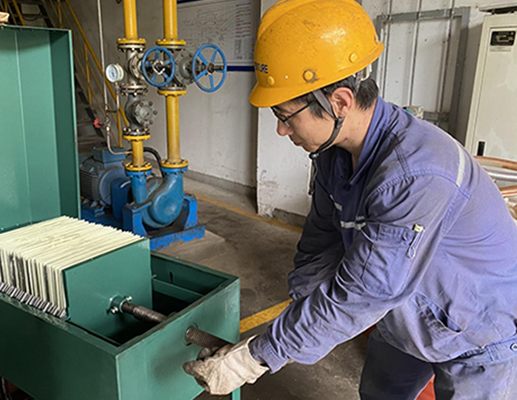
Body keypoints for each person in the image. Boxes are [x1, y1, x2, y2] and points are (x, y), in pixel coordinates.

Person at [183, 0, 517, 398]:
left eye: (285, 116)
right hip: (403, 312)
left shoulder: (415, 173)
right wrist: (302, 316)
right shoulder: (334, 156)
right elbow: (321, 241)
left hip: (476, 331)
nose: (281, 130)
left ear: (340, 102)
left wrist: (255, 358)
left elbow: (365, 292)